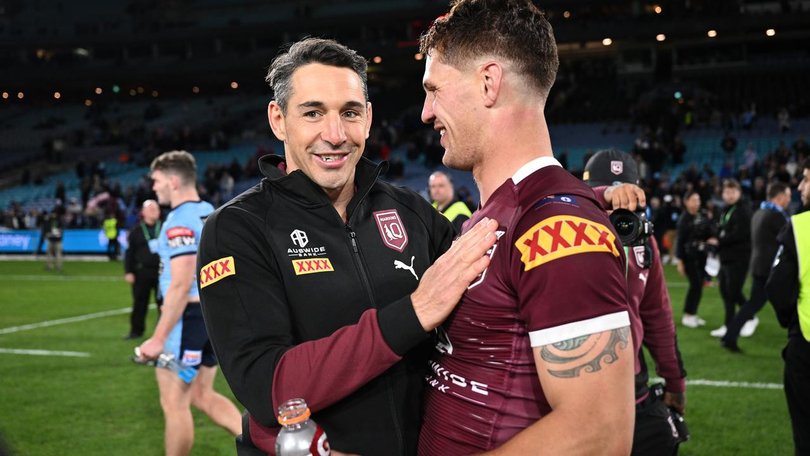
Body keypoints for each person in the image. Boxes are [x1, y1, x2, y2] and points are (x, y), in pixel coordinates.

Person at [196, 38, 498, 455]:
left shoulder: (411, 211)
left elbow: (495, 268)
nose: (335, 135)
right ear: (278, 119)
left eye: (350, 113)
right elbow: (267, 387)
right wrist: (413, 313)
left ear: (369, 119)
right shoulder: (237, 229)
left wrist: (588, 202)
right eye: (313, 113)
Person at [417, 1, 635, 453]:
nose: (426, 111)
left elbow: (600, 433)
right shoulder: (500, 214)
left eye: (434, 89)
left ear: (488, 83)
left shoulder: (558, 227)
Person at [136, 151, 241, 456]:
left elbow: (181, 284)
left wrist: (158, 338)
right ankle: (268, 448)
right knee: (201, 394)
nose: (154, 188)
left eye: (156, 181)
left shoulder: (179, 222)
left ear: (172, 181)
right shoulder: (210, 210)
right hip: (212, 316)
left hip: (186, 320)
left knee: (174, 403)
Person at [584, 149, 688, 455]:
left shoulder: (644, 240)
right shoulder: (564, 235)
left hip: (632, 384)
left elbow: (658, 316)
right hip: (576, 387)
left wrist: (674, 382)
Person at [767, 158, 810, 455]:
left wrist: (791, 321)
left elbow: (778, 289)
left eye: (807, 179)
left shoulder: (800, 227)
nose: (800, 186)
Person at [721, 182, 791, 352]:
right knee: (780, 303)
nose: (789, 200)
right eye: (788, 196)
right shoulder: (776, 216)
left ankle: (729, 335)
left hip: (759, 265)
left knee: (754, 303)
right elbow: (789, 242)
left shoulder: (760, 212)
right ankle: (730, 336)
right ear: (780, 197)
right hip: (771, 269)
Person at [711, 179, 753, 338]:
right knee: (725, 291)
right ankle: (742, 318)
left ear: (739, 193)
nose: (729, 195)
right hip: (726, 257)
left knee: (732, 293)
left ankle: (745, 318)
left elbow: (740, 234)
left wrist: (719, 240)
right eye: (727, 192)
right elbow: (722, 229)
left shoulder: (743, 210)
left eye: (733, 192)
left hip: (739, 257)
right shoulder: (725, 209)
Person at [123, 199, 162, 340]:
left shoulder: (165, 228)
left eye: (156, 209)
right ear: (143, 212)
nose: (154, 212)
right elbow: (129, 253)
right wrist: (128, 271)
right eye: (151, 209)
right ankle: (136, 331)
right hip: (142, 272)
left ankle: (163, 333)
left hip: (162, 272)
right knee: (139, 303)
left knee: (164, 304)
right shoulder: (136, 231)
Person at [675, 191, 715, 328]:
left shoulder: (702, 216)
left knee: (699, 286)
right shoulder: (684, 219)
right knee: (696, 285)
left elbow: (709, 232)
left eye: (698, 199)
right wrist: (680, 262)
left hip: (701, 256)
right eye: (693, 200)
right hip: (689, 258)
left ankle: (693, 314)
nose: (696, 202)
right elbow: (679, 242)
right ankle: (688, 315)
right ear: (686, 202)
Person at [40, 207, 65, 272]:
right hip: (50, 239)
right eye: (52, 213)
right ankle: (49, 266)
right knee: (49, 253)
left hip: (58, 240)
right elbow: (46, 228)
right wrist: (46, 234)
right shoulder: (49, 220)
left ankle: (58, 267)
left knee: (58, 254)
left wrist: (55, 232)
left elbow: (61, 230)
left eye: (54, 213)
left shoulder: (59, 220)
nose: (53, 214)